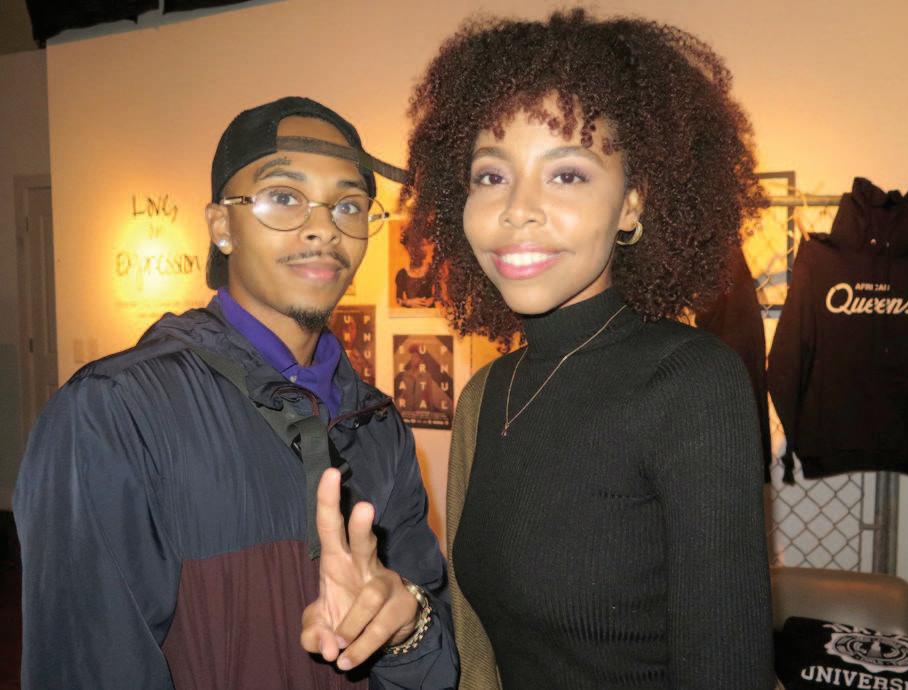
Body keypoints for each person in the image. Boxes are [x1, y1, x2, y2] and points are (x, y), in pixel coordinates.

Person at [15, 97, 457, 690]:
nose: (324, 227)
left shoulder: (376, 422)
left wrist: (407, 630)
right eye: (284, 197)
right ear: (222, 226)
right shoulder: (112, 412)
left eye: (348, 205)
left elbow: (437, 659)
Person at [402, 10, 774, 689]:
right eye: (491, 176)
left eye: (567, 175)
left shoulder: (689, 383)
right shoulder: (486, 394)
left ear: (631, 204)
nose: (517, 208)